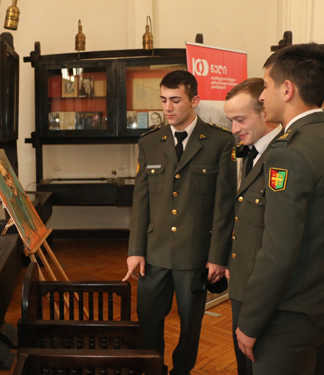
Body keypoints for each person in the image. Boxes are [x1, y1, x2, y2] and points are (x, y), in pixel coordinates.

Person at [123, 70, 236, 375]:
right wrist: (136, 249)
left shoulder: (219, 142)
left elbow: (224, 207)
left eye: (175, 100)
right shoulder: (150, 142)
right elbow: (141, 200)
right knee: (148, 324)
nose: (168, 108)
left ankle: (181, 372)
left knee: (190, 327)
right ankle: (153, 370)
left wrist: (217, 256)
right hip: (154, 253)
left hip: (194, 255)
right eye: (163, 100)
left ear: (194, 100)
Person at [236, 43, 324, 375]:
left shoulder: (288, 152)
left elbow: (278, 250)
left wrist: (251, 321)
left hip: (289, 317)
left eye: (267, 85)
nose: (262, 96)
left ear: (287, 89)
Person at [223, 78, 283, 375]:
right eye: (230, 121)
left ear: (264, 112)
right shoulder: (253, 154)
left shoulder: (283, 157)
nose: (234, 129)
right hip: (242, 282)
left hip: (264, 292)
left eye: (240, 119)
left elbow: (278, 242)